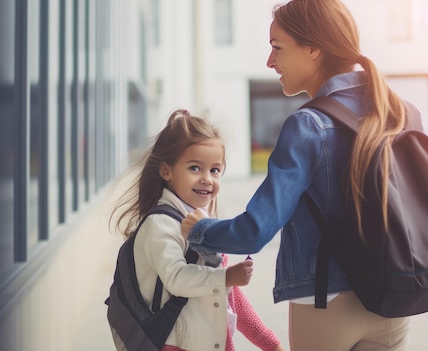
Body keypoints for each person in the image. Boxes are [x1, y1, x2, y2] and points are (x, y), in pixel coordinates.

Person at [180, 1, 421, 350]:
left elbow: (255, 230)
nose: (269, 61)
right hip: (395, 296)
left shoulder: (307, 125)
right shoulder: (403, 112)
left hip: (325, 302)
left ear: (313, 48)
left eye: (277, 47)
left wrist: (198, 230)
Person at [110, 109, 284, 351]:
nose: (207, 179)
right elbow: (177, 278)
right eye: (195, 168)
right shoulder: (160, 224)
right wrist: (226, 277)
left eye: (214, 170)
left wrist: (270, 344)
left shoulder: (203, 223)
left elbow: (230, 298)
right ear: (166, 171)